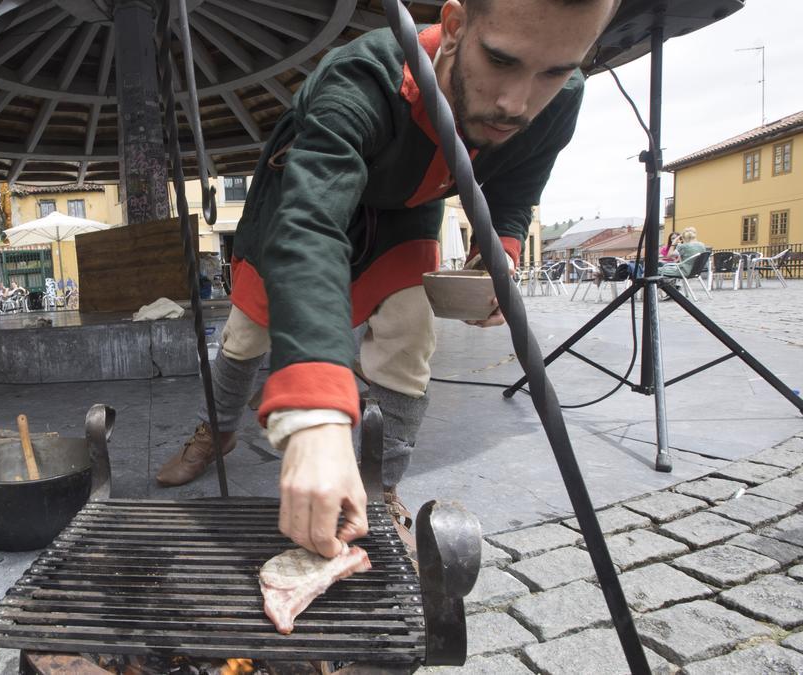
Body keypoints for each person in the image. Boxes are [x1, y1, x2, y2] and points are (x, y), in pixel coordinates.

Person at [154, 0, 620, 559]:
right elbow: (312, 224)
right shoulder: (362, 75)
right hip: (304, 198)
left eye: (554, 71)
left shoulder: (561, 98)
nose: (515, 103)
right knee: (250, 330)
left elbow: (516, 187)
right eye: (500, 60)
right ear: (452, 29)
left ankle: (380, 480)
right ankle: (218, 430)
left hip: (406, 211)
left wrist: (501, 257)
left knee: (409, 335)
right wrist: (317, 412)